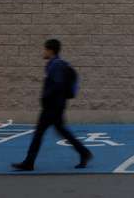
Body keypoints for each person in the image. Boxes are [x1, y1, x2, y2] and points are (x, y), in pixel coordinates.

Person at [12, 39, 92, 171]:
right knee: (62, 131)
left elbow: (57, 84)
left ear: (50, 50)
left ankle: (29, 162)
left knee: (39, 133)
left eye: (45, 49)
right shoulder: (55, 64)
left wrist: (45, 97)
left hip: (52, 106)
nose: (43, 52)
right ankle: (84, 153)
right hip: (57, 105)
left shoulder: (56, 65)